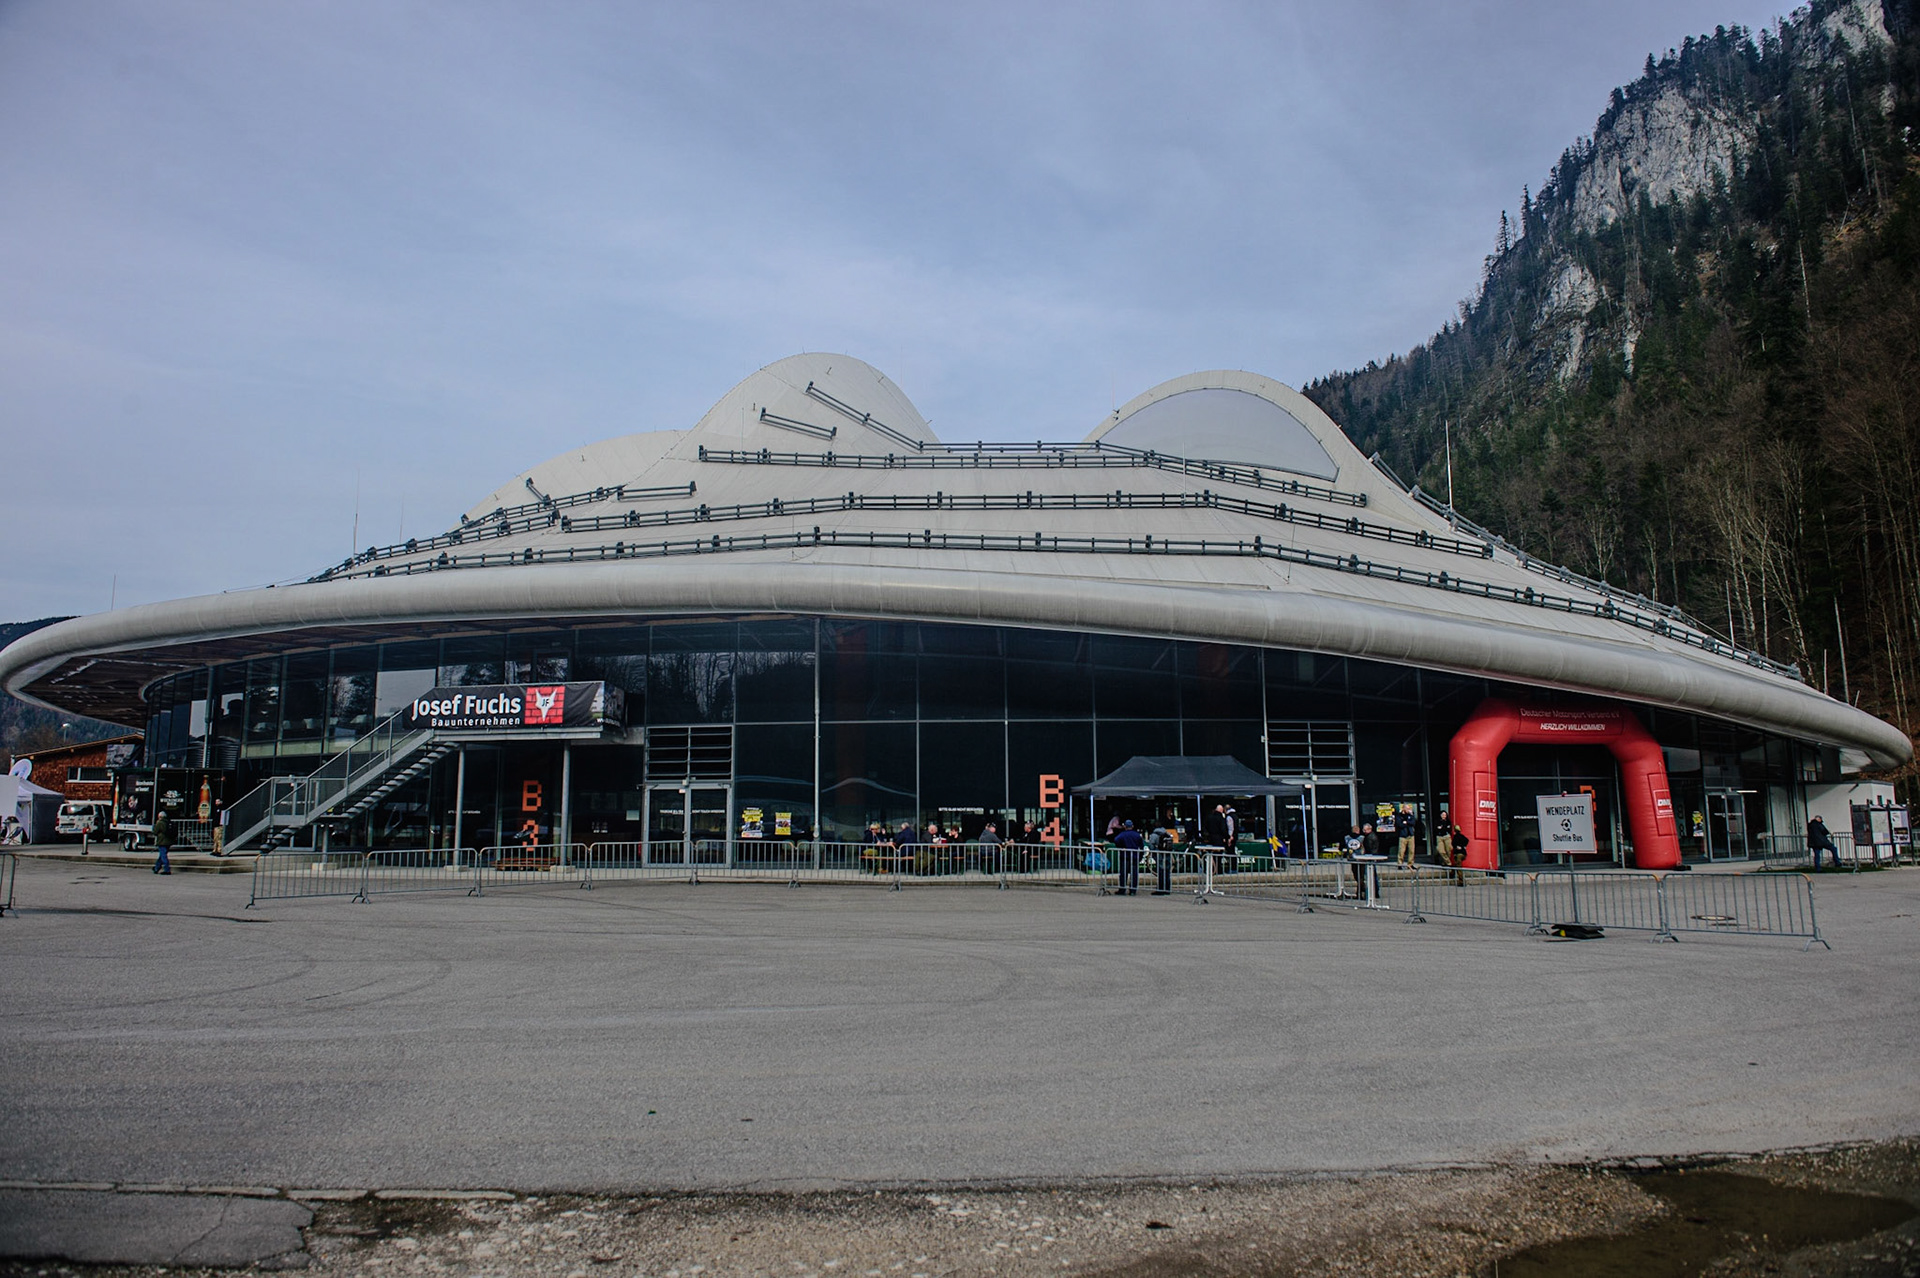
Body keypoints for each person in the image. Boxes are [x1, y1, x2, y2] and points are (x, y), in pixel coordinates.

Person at [1112, 820, 1144, 895]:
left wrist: (1121, 846)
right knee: (1134, 874)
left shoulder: (1122, 834)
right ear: (1132, 826)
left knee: (1123, 873)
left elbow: (1116, 840)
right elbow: (1141, 845)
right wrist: (1140, 856)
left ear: (1125, 826)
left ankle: (1122, 889)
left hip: (1125, 856)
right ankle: (1133, 890)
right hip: (1134, 856)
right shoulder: (1137, 835)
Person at [151, 808, 173, 875]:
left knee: (163, 856)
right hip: (169, 841)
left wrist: (155, 826)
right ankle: (156, 868)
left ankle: (167, 869)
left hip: (162, 841)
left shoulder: (160, 823)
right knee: (162, 855)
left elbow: (155, 832)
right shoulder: (168, 822)